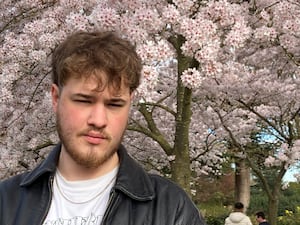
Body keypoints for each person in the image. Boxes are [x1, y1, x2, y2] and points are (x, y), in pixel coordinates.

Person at [0, 31, 206, 225]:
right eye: (84, 101)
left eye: (114, 104)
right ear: (56, 98)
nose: (98, 120)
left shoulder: (171, 210)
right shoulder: (6, 202)